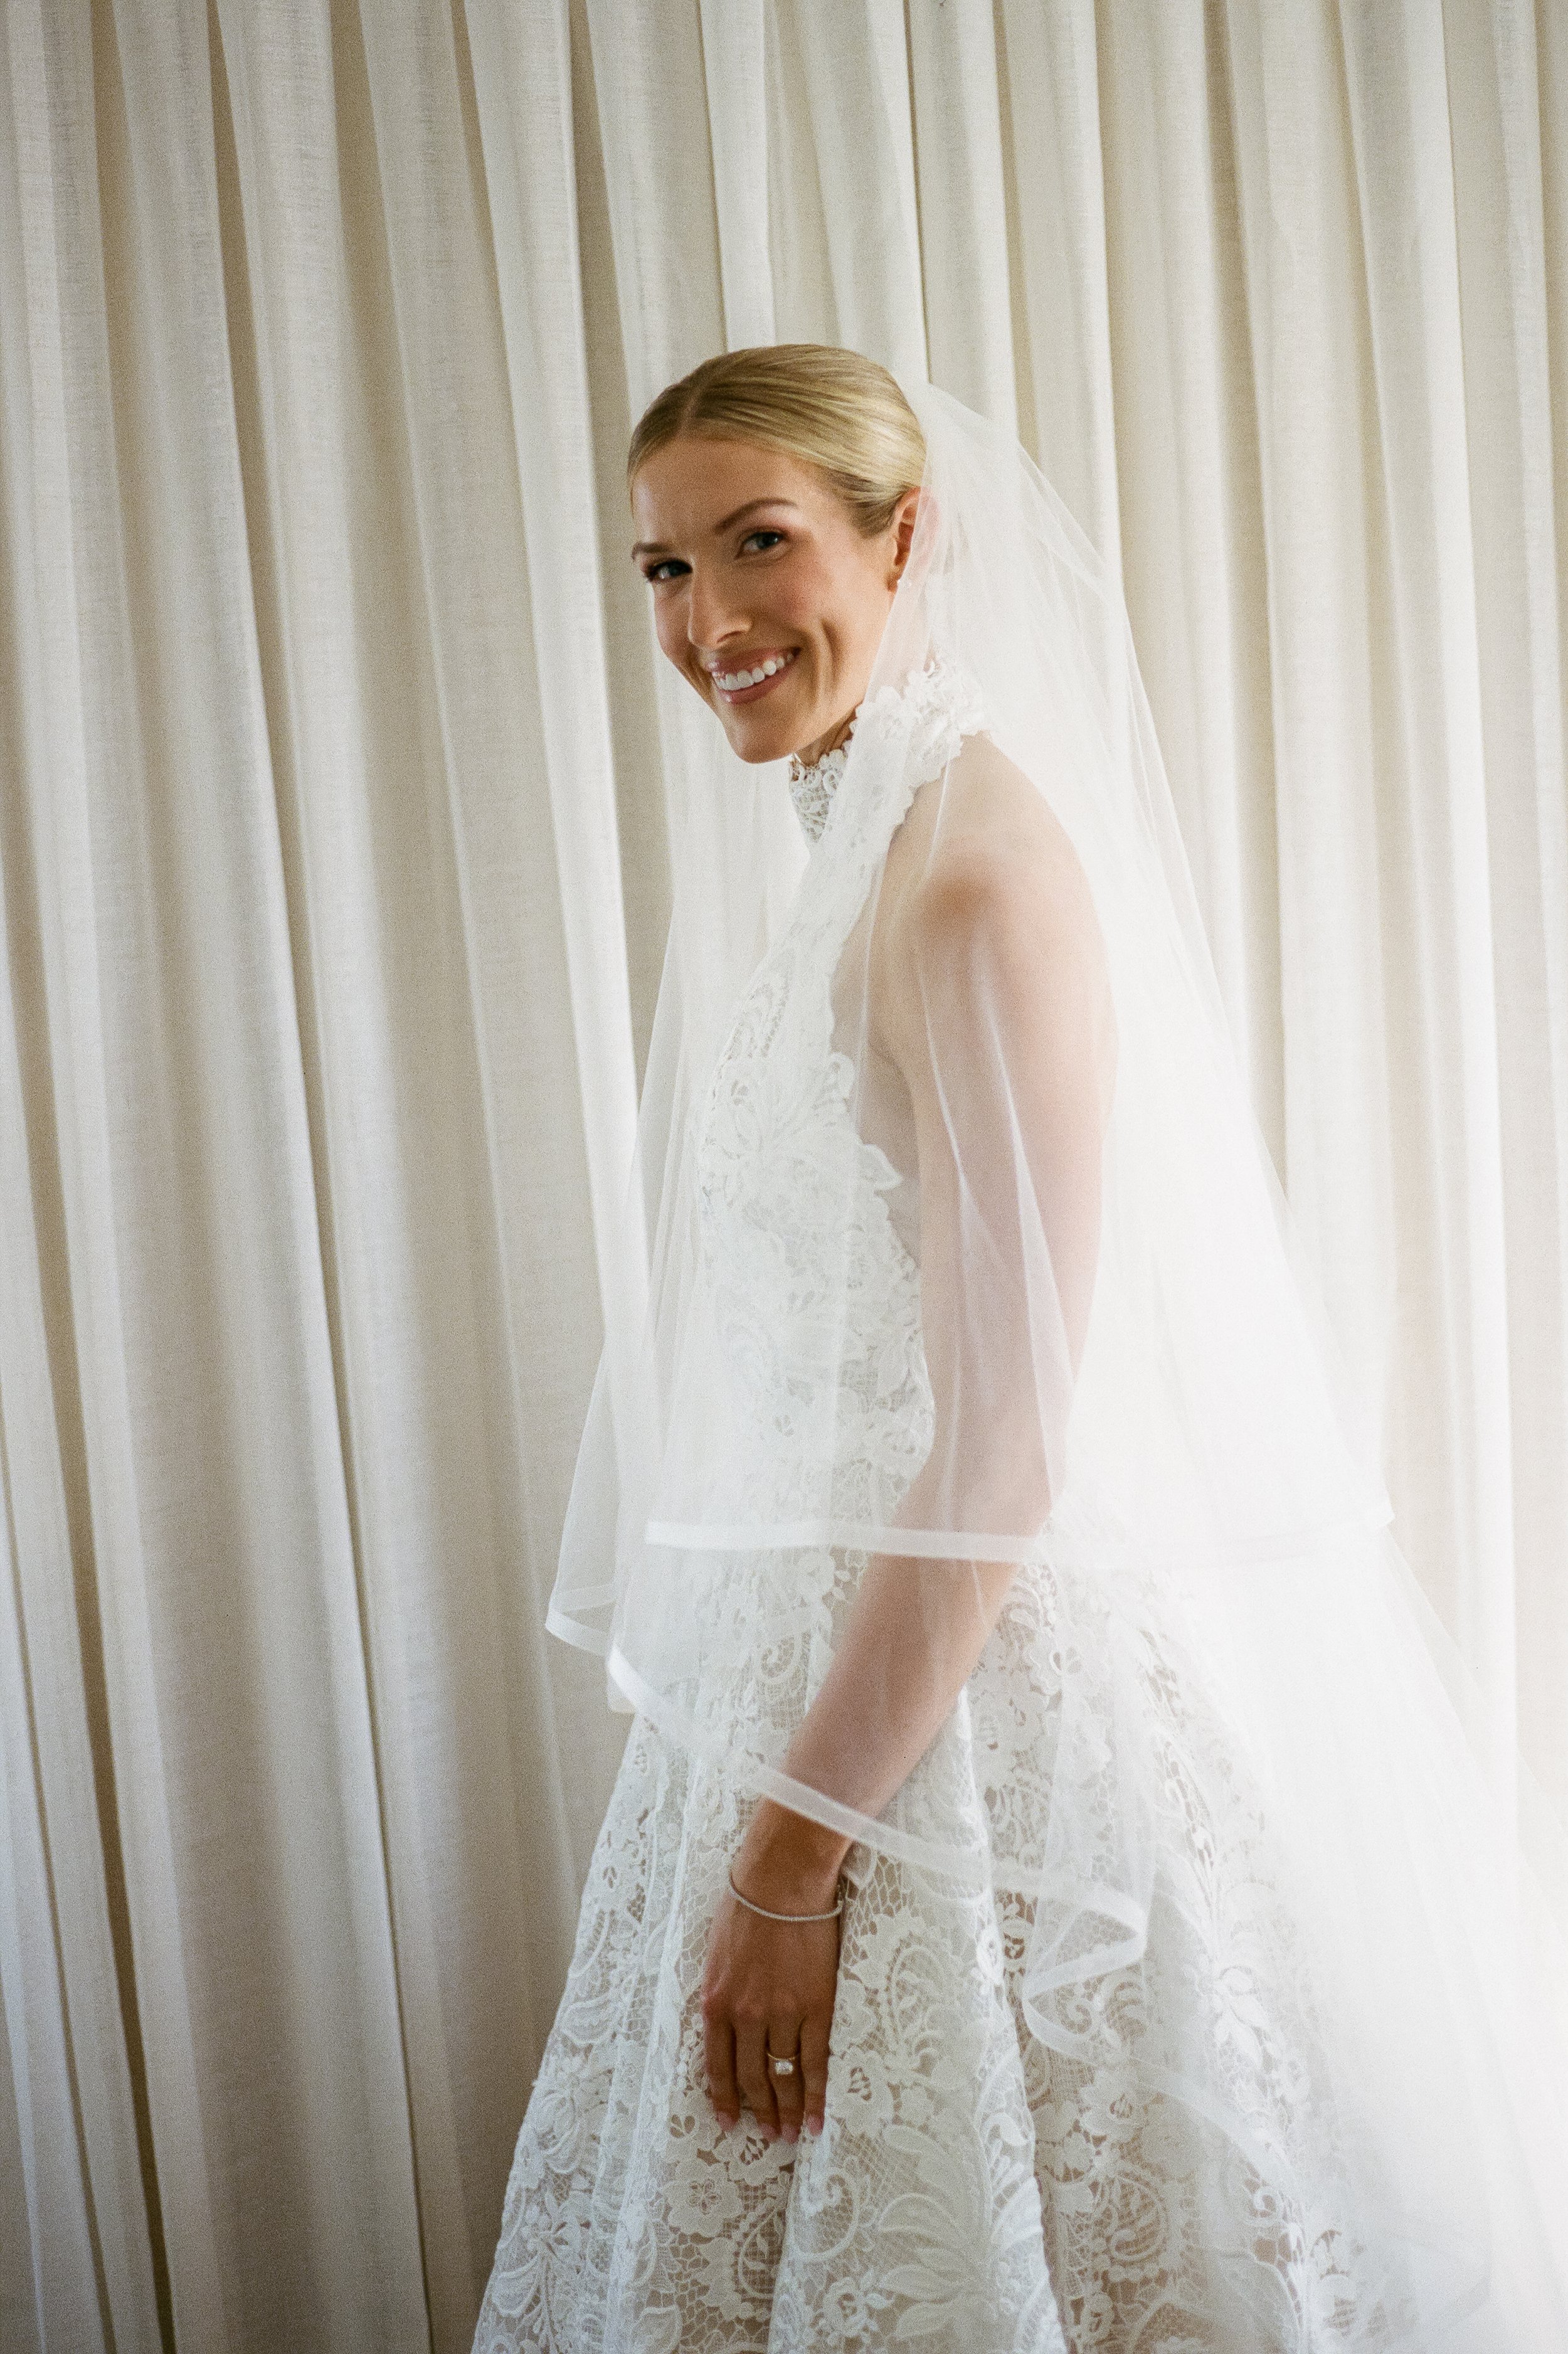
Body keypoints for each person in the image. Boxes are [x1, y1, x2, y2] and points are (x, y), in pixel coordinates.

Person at [472, 346, 1568, 2351]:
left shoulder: (970, 880)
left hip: (956, 1739)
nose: (708, 620)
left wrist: (793, 1861)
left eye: (758, 544)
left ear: (909, 539)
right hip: (833, 1684)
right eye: (658, 570)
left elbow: (1001, 1452)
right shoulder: (861, 842)